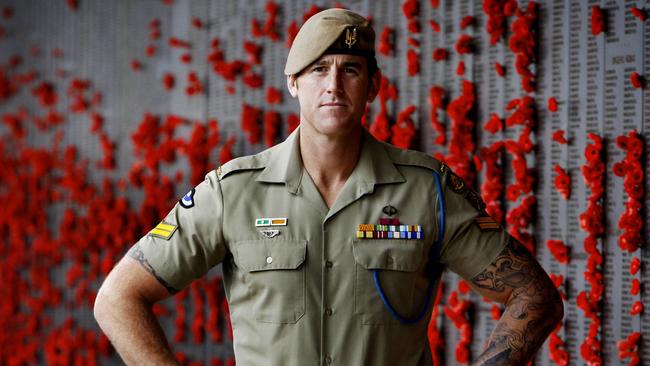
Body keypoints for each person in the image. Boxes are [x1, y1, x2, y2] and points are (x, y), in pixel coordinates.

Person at [94, 8, 563, 366]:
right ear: (293, 84)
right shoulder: (232, 192)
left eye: (350, 70)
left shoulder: (428, 192)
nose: (333, 85)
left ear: (373, 86)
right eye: (319, 70)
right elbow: (118, 298)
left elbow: (533, 296)